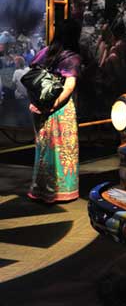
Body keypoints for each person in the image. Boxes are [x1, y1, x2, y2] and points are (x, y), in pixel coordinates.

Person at [27, 19, 82, 203]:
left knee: (43, 148)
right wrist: (54, 104)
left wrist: (39, 103)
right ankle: (60, 191)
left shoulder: (45, 52)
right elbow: (69, 87)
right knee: (63, 149)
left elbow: (32, 73)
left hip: (39, 105)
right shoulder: (72, 57)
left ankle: (41, 189)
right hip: (61, 109)